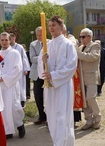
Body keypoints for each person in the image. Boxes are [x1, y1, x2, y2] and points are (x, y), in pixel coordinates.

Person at [37, 16, 77, 146]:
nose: (51, 28)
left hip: (63, 86)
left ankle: (64, 143)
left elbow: (71, 66)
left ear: (61, 26)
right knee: (52, 116)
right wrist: (43, 62)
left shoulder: (68, 44)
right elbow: (40, 67)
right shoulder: (47, 46)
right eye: (49, 26)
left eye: (53, 25)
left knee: (62, 117)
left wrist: (53, 75)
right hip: (50, 87)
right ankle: (57, 142)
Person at [0, 32, 25, 139]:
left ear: (10, 41)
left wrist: (4, 78)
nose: (4, 42)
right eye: (2, 40)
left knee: (14, 107)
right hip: (1, 86)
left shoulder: (14, 53)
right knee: (3, 108)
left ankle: (20, 125)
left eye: (6, 40)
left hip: (11, 84)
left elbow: (18, 69)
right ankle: (7, 131)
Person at [77, 28, 101, 130]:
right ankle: (89, 120)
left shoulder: (95, 45)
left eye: (83, 36)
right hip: (81, 77)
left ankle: (98, 119)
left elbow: (92, 57)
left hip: (91, 76)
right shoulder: (80, 47)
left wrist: (78, 54)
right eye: (80, 37)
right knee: (84, 100)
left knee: (91, 97)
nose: (81, 39)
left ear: (89, 37)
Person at [62, 24, 82, 125]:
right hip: (60, 71)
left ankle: (73, 119)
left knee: (72, 94)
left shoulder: (71, 39)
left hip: (71, 72)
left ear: (64, 31)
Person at [29, 26, 47, 125]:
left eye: (41, 34)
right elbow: (32, 58)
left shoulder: (50, 42)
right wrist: (42, 58)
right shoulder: (33, 44)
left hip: (48, 72)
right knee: (38, 95)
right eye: (37, 35)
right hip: (37, 73)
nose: (39, 36)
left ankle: (49, 116)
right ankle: (41, 116)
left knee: (48, 95)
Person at [10, 33, 30, 108]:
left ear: (14, 38)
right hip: (11, 70)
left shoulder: (19, 47)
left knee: (21, 85)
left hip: (20, 70)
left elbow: (24, 58)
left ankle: (22, 100)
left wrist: (25, 68)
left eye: (12, 38)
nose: (10, 39)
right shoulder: (8, 47)